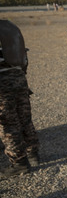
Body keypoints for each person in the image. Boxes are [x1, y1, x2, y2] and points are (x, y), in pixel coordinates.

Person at [0, 20, 40, 177]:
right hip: (18, 76)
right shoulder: (10, 26)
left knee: (8, 123)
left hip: (2, 80)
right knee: (24, 118)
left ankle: (19, 163)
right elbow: (24, 55)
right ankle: (33, 153)